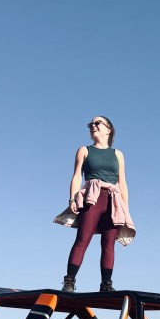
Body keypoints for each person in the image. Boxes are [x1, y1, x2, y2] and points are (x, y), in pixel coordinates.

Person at [55, 116, 135, 292]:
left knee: (109, 244)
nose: (93, 126)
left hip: (113, 199)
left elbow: (123, 183)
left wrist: (125, 209)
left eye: (97, 123)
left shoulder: (118, 154)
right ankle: (69, 281)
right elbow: (77, 176)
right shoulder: (84, 150)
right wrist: (72, 198)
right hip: (92, 195)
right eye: (90, 124)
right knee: (82, 239)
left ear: (108, 129)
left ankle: (106, 285)